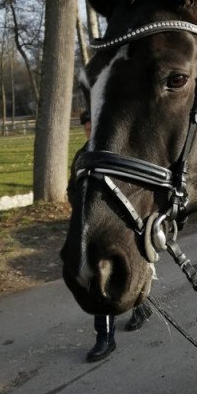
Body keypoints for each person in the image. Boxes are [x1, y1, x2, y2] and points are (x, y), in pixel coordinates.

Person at [67, 110, 153, 363]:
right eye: (86, 128)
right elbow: (73, 188)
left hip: (120, 228)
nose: (90, 132)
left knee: (116, 275)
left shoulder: (118, 152)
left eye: (94, 126)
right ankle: (109, 334)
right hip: (91, 228)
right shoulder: (82, 155)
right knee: (99, 279)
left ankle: (110, 334)